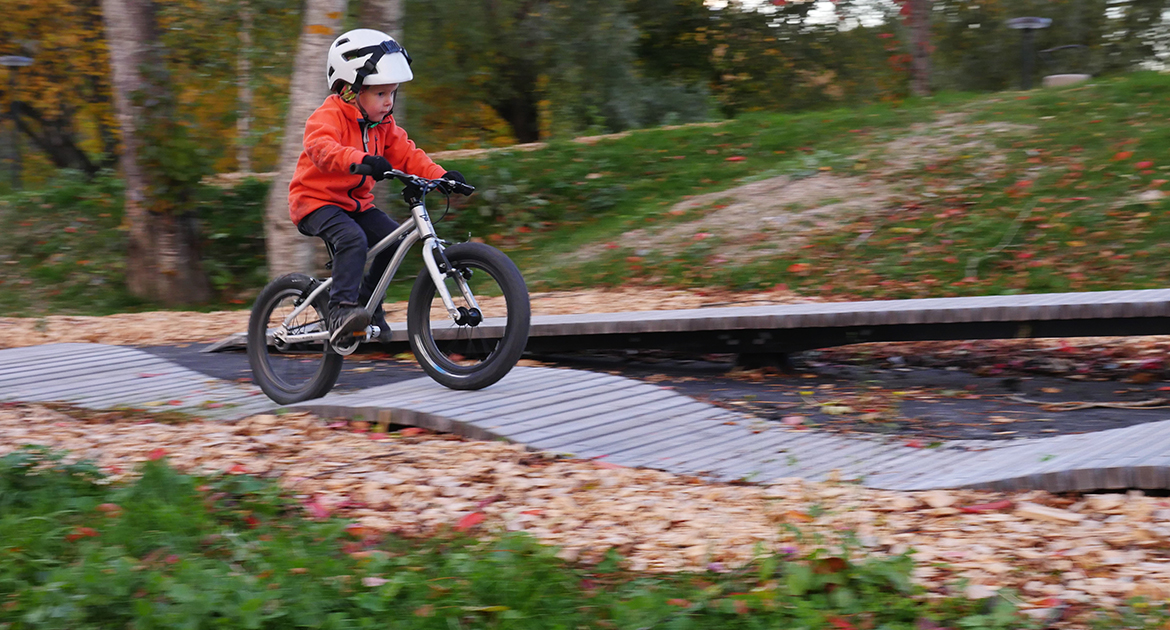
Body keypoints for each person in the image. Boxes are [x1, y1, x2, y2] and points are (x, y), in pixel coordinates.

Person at [287, 28, 465, 344]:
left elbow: (408, 154)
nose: (388, 102)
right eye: (381, 94)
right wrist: (359, 160)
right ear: (352, 91)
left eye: (392, 93)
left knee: (394, 242)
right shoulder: (328, 116)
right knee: (353, 239)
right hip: (315, 202)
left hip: (355, 205)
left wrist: (441, 176)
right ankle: (342, 311)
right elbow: (321, 148)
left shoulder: (384, 126)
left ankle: (367, 306)